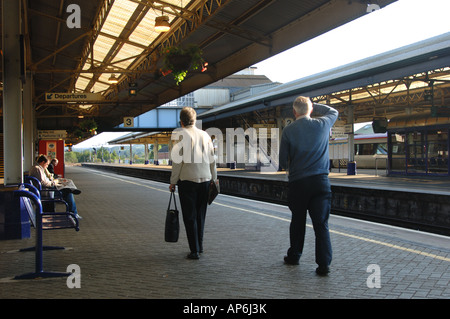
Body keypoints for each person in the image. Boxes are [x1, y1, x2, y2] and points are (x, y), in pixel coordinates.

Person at [279, 96, 338, 276]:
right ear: (310, 110)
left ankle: (295, 256)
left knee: (298, 221)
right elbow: (333, 111)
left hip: (298, 183)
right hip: (320, 182)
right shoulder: (322, 124)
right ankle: (323, 265)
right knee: (321, 224)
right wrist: (312, 106)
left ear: (294, 112)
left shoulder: (288, 131)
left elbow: (283, 161)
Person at [169, 107, 217, 260]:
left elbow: (177, 162)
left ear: (181, 121)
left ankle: (194, 251)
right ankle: (200, 246)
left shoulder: (178, 135)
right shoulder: (205, 135)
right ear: (194, 120)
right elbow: (212, 159)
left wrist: (173, 181)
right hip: (205, 179)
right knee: (200, 215)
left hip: (188, 181)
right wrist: (214, 179)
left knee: (190, 217)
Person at [29, 154, 82, 219]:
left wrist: (53, 181)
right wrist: (54, 182)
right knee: (68, 193)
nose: (47, 166)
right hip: (46, 191)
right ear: (43, 162)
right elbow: (44, 183)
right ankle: (73, 213)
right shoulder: (37, 169)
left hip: (46, 189)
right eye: (47, 164)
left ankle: (71, 191)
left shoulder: (38, 168)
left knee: (66, 185)